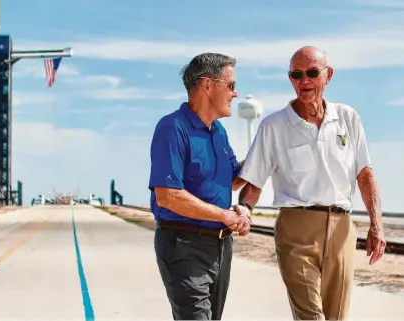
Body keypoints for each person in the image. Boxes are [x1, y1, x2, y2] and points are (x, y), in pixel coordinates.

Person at [234, 46, 387, 320]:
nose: (304, 81)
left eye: (312, 73)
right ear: (290, 78)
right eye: (296, 74)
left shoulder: (348, 118)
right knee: (310, 316)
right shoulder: (273, 126)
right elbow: (254, 182)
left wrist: (376, 226)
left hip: (342, 230)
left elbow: (365, 176)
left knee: (336, 316)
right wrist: (245, 208)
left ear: (328, 76)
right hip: (296, 231)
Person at [148, 52, 252, 320]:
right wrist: (224, 215)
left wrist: (265, 154)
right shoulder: (172, 128)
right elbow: (168, 196)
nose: (235, 93)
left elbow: (232, 179)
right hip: (183, 244)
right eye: (230, 85)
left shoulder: (218, 131)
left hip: (220, 247)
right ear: (208, 85)